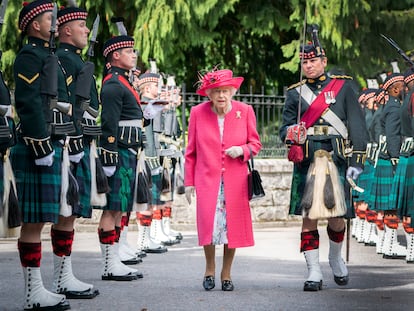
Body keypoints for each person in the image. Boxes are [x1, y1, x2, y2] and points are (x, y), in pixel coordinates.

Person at [279, 41, 368, 291]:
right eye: (304, 62)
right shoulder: (295, 93)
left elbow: (358, 127)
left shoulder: (344, 87)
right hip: (308, 160)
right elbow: (283, 129)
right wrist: (290, 132)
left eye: (313, 61)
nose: (308, 66)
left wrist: (357, 163)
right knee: (309, 216)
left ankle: (335, 257)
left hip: (337, 158)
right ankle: (314, 271)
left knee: (337, 217)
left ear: (324, 61)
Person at [12, 1, 73, 309]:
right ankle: (32, 293)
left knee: (41, 220)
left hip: (50, 143)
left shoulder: (46, 55)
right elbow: (27, 101)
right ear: (35, 24)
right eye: (50, 18)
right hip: (37, 144)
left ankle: (39, 289)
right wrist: (40, 143)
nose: (54, 23)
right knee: (33, 221)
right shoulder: (28, 56)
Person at [184, 68, 261, 291]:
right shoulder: (198, 112)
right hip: (208, 180)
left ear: (232, 92)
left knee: (232, 228)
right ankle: (209, 268)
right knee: (209, 225)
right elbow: (191, 153)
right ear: (209, 93)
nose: (221, 96)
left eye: (226, 91)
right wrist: (189, 182)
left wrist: (243, 150)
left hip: (235, 181)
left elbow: (255, 144)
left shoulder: (245, 111)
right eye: (216, 91)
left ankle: (226, 273)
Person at [97, 35, 145, 281]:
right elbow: (109, 124)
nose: (133, 54)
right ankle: (108, 264)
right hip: (118, 151)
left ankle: (114, 260)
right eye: (129, 51)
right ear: (115, 55)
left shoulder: (124, 82)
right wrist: (108, 156)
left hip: (129, 150)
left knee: (120, 208)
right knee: (111, 208)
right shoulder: (114, 84)